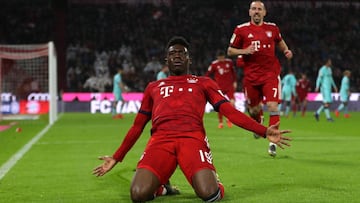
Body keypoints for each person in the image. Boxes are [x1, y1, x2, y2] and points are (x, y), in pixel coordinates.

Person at [93, 36, 292, 203]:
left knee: (210, 195)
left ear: (189, 59)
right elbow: (137, 126)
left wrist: (264, 131)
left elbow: (230, 112)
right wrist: (117, 157)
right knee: (137, 195)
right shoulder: (154, 87)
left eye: (182, 53)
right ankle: (161, 187)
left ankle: (214, 180)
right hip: (160, 142)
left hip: (192, 140)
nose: (177, 56)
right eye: (172, 53)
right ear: (166, 60)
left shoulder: (203, 83)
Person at [227, 0, 293, 157]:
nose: (256, 11)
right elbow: (230, 51)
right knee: (254, 110)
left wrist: (286, 51)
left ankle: (272, 142)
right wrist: (245, 50)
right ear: (249, 12)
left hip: (270, 74)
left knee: (272, 106)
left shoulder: (272, 28)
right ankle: (258, 121)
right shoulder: (241, 30)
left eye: (259, 9)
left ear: (264, 13)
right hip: (251, 77)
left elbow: (280, 42)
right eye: (254, 9)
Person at [205, 50, 237, 129]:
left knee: (232, 103)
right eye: (220, 58)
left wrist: (235, 81)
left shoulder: (229, 62)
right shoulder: (214, 64)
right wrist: (211, 83)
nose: (221, 59)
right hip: (219, 87)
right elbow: (207, 75)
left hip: (229, 86)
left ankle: (229, 119)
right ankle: (220, 122)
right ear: (217, 57)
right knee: (220, 105)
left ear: (224, 56)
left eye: (222, 57)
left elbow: (234, 73)